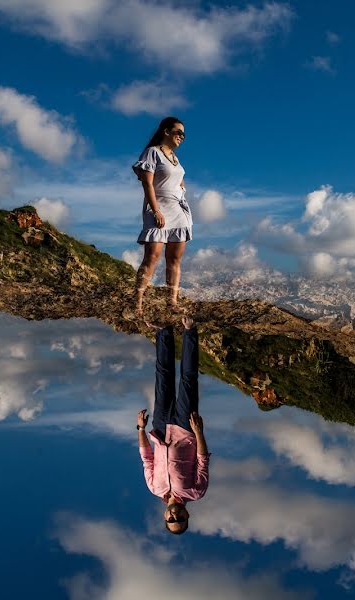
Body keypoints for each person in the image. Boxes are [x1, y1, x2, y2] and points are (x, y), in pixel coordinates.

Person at [137, 315, 209, 535]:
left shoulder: (153, 488)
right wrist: (198, 432)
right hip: (186, 430)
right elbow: (202, 460)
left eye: (171, 520)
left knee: (163, 378)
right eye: (180, 520)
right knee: (188, 380)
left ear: (165, 517)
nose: (174, 516)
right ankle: (189, 330)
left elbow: (147, 458)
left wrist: (140, 428)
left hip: (159, 429)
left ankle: (164, 331)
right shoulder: (195, 492)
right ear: (187, 516)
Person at [132, 116, 192, 315]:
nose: (182, 137)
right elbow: (147, 184)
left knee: (174, 259)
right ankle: (137, 302)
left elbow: (176, 180)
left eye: (184, 134)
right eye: (178, 132)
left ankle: (172, 302)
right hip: (157, 207)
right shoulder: (152, 152)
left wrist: (181, 187)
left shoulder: (176, 159)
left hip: (178, 209)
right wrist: (156, 210)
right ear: (166, 131)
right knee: (152, 256)